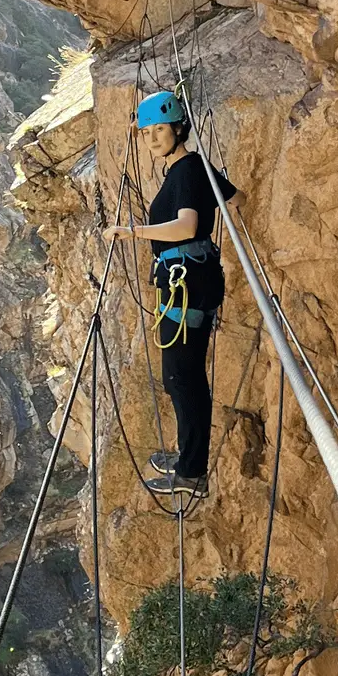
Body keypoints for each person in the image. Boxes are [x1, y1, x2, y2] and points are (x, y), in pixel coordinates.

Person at [104, 91, 237, 498]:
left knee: (182, 377)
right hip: (190, 279)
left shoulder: (186, 171)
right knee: (184, 375)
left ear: (179, 128)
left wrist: (133, 232)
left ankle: (192, 472)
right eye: (148, 134)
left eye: (160, 130)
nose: (153, 139)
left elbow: (185, 225)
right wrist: (138, 127)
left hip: (186, 283)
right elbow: (229, 195)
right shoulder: (193, 169)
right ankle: (186, 456)